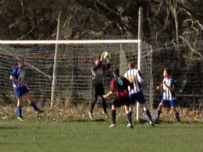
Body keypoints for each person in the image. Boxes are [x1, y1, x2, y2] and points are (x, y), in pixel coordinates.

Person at [124, 62, 154, 126]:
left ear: (128, 67)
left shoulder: (126, 73)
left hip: (131, 92)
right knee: (144, 106)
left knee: (130, 107)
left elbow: (124, 83)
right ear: (134, 66)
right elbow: (140, 80)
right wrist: (143, 81)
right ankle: (150, 120)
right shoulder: (137, 71)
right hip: (138, 91)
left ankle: (129, 122)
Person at [88, 51, 111, 120]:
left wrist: (108, 58)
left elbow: (108, 65)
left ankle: (105, 112)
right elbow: (96, 67)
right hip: (94, 84)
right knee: (95, 98)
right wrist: (101, 58)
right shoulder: (93, 66)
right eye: (97, 60)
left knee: (104, 98)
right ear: (95, 61)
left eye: (99, 59)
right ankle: (90, 112)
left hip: (100, 84)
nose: (98, 61)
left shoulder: (101, 66)